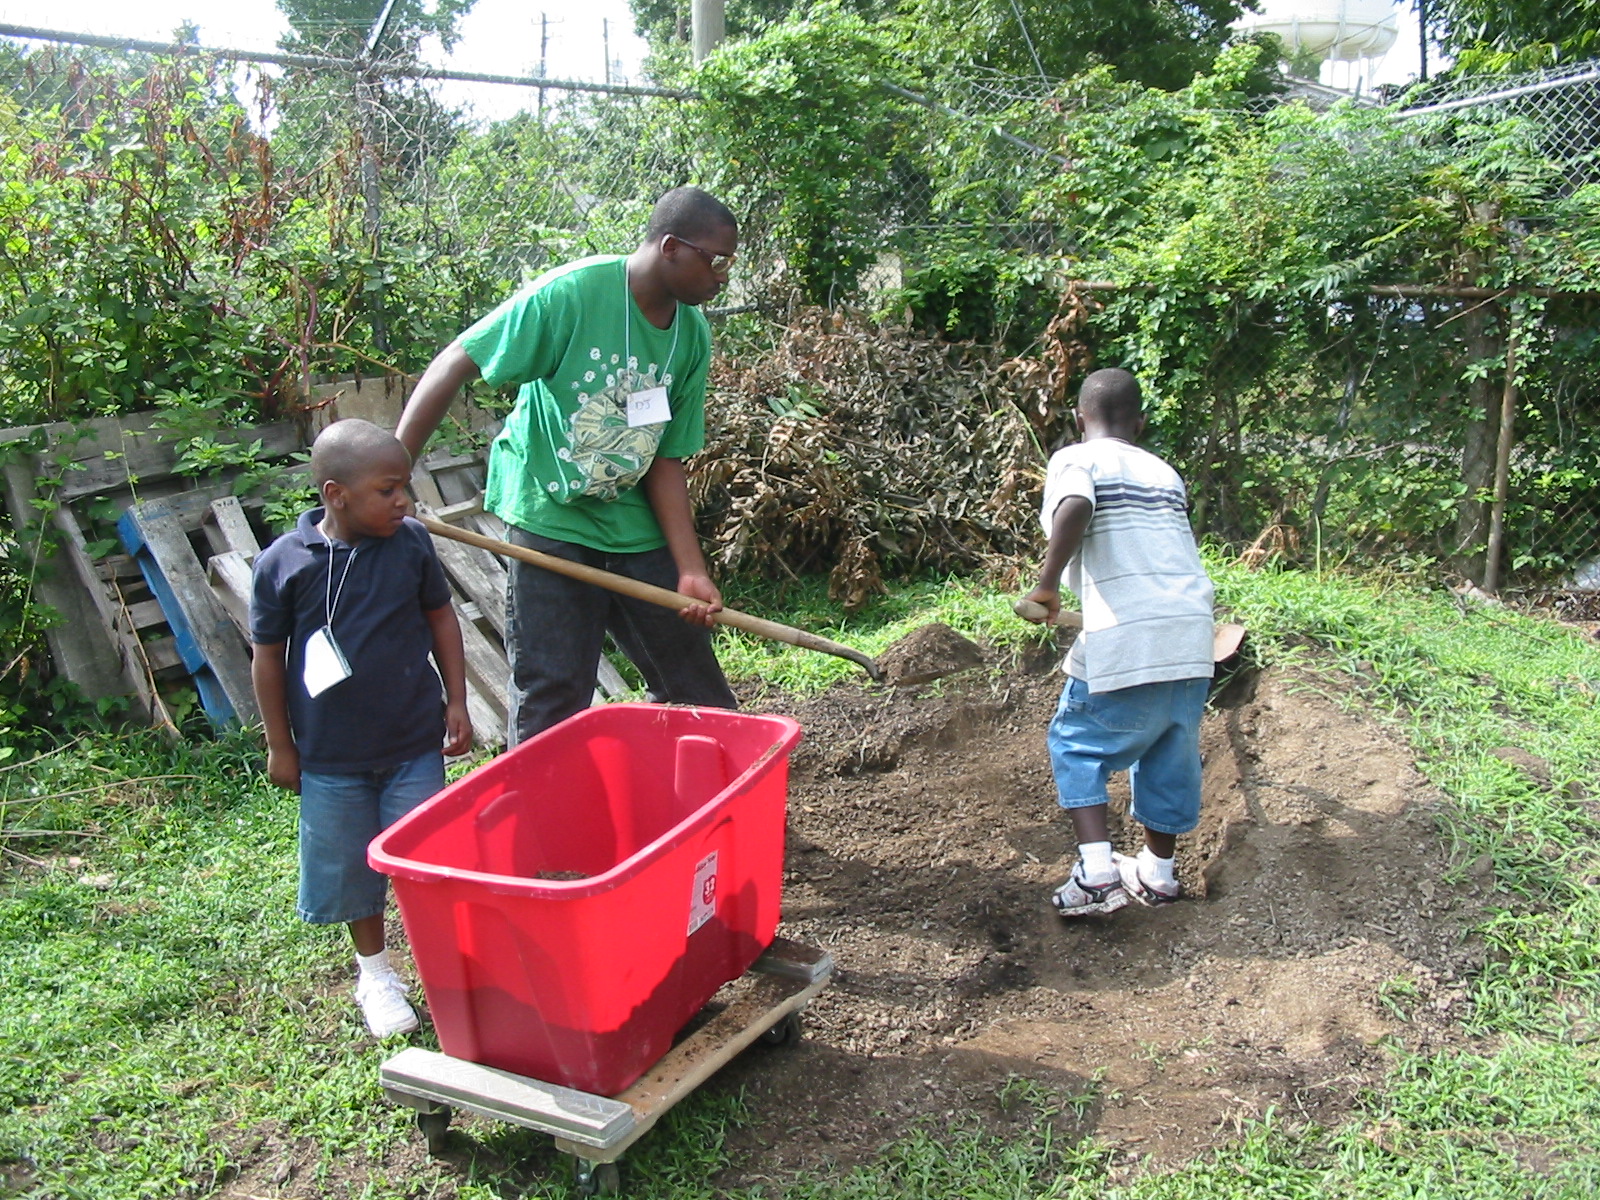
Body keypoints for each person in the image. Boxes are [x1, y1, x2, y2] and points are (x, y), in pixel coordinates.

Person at [394, 186, 740, 746]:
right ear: (672, 247)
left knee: (698, 690)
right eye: (717, 260)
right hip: (550, 513)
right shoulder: (572, 295)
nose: (723, 277)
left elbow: (665, 455)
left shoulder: (691, 334)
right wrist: (394, 474)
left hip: (632, 519)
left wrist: (690, 569)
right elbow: (457, 361)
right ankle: (540, 801)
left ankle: (695, 790)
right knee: (552, 693)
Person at [249, 418, 472, 1036]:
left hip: (412, 744)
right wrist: (280, 745)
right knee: (351, 868)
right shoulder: (284, 564)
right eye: (387, 490)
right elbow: (267, 658)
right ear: (335, 494)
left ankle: (447, 966)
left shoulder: (411, 544)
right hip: (330, 757)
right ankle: (375, 975)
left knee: (427, 859)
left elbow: (442, 619)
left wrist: (457, 701)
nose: (404, 501)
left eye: (406, 487)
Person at [1020, 368, 1216, 917]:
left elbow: (1076, 505)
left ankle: (1097, 874)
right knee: (1169, 749)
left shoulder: (1077, 458)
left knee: (1075, 742)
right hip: (1191, 630)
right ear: (1141, 423)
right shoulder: (1164, 472)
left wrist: (1046, 585)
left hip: (1130, 630)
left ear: (1079, 419)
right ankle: (1157, 875)